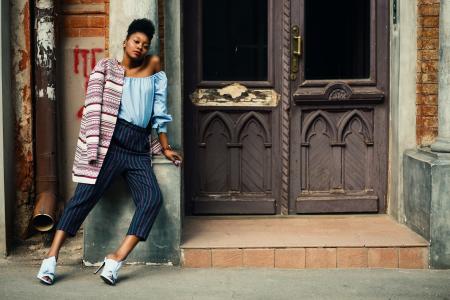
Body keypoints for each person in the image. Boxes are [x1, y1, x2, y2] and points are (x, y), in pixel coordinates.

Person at [37, 18, 182, 286]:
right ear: (125, 41)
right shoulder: (106, 68)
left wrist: (165, 146)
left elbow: (160, 111)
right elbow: (92, 110)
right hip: (111, 145)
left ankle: (115, 259)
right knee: (83, 198)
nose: (140, 47)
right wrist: (93, 146)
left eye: (145, 44)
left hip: (138, 149)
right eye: (136, 41)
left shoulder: (154, 66)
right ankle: (51, 259)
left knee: (151, 200)